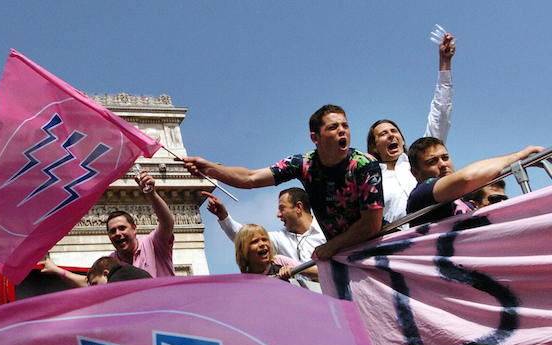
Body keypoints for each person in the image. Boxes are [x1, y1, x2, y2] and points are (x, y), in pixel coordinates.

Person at [182, 104, 384, 260]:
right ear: (315, 137)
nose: (342, 131)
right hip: (341, 257)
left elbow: (371, 225)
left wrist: (330, 246)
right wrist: (209, 168)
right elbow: (251, 178)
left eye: (345, 126)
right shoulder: (302, 163)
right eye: (333, 127)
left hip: (376, 250)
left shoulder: (365, 164)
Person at [367, 32, 456, 225]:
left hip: (441, 227)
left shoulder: (421, 160)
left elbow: (440, 115)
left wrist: (444, 64)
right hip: (401, 248)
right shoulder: (370, 180)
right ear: (374, 147)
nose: (391, 135)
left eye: (394, 131)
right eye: (383, 134)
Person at [43, 168, 175, 287]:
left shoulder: (153, 243)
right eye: (113, 231)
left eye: (122, 228)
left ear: (134, 228)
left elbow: (167, 223)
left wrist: (151, 194)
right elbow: (92, 282)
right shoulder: (111, 263)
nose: (118, 233)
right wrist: (57, 270)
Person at [405, 137, 543, 226]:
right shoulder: (420, 194)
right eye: (432, 161)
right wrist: (520, 156)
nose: (443, 164)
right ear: (415, 173)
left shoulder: (464, 202)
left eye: (445, 157)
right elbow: (467, 178)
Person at [203, 188, 323, 278]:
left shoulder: (329, 232)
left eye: (282, 208)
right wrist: (224, 217)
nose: (278, 215)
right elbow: (245, 237)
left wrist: (297, 269)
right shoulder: (278, 238)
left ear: (298, 207)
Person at [86, 256, 152, 286]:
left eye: (94, 284)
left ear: (105, 274)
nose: (93, 289)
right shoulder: (126, 273)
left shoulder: (115, 280)